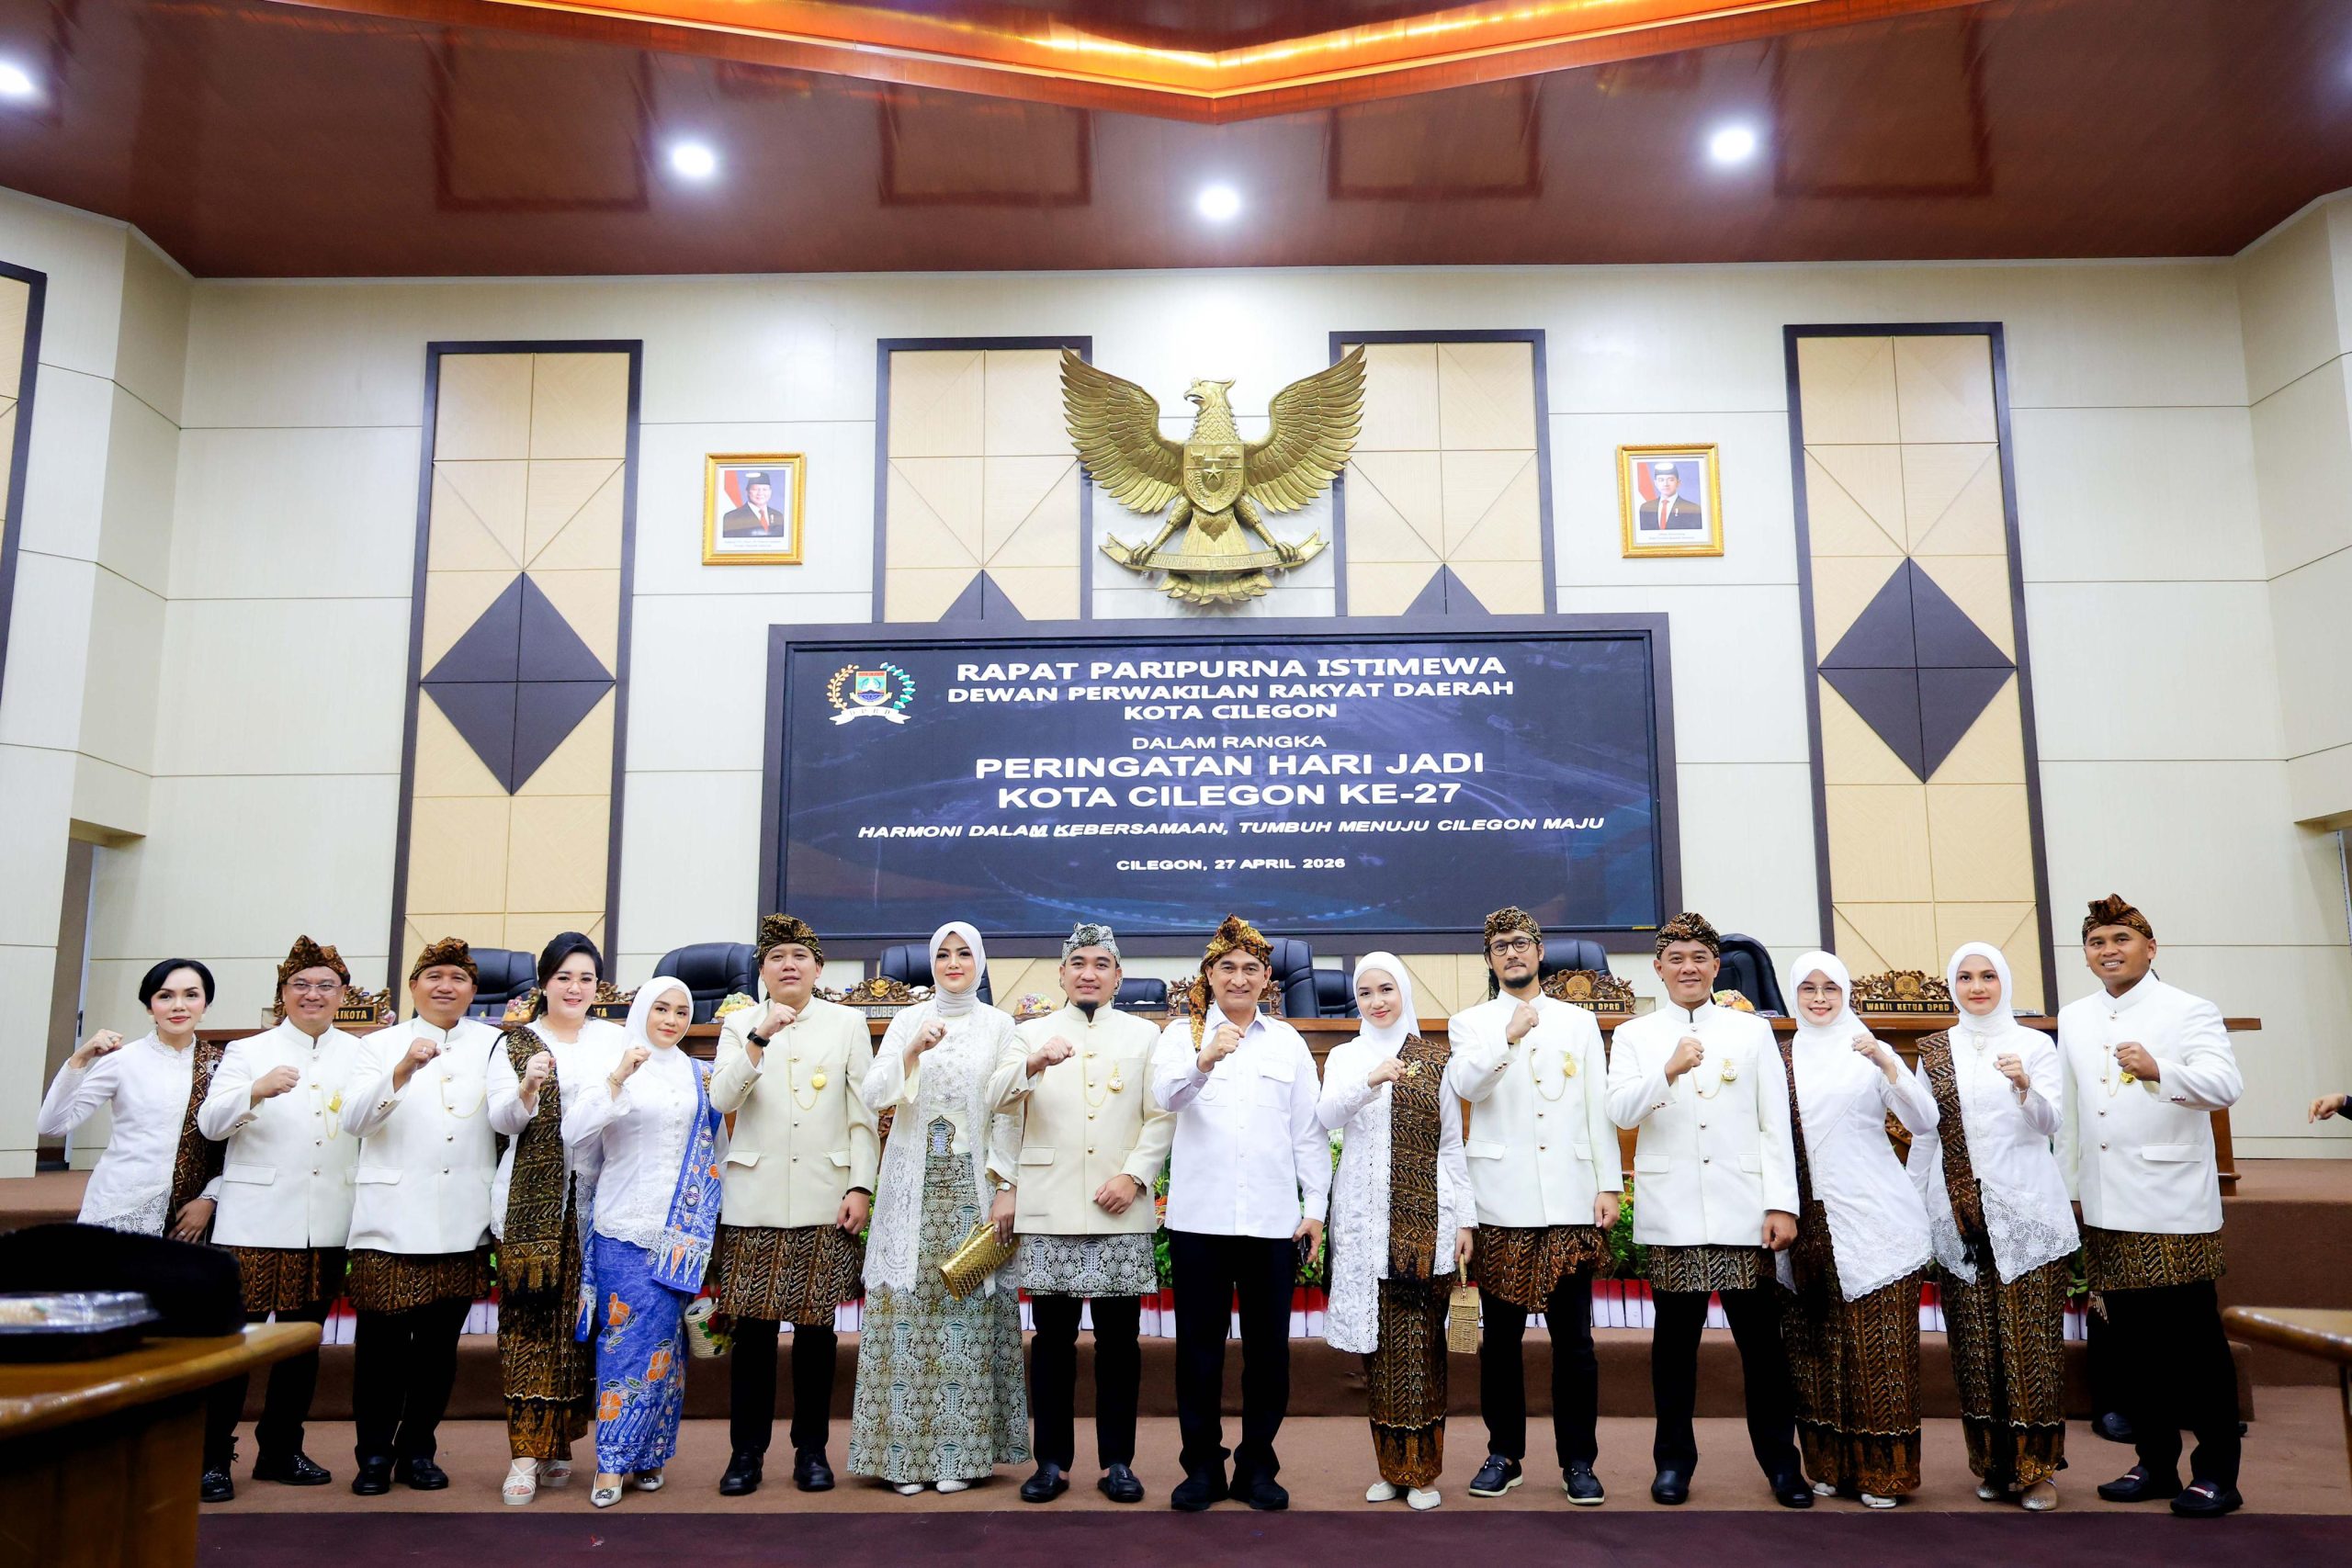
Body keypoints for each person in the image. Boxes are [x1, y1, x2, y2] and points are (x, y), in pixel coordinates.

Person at [1605, 911, 1808, 1508]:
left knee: (1762, 1350)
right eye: (1677, 958)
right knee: (1673, 1352)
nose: (1688, 968)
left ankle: (1782, 1466)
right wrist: (1667, 1069)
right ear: (1658, 968)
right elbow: (1620, 1111)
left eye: (1699, 957)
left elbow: (1774, 1123)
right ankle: (1673, 1464)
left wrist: (1781, 1204)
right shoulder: (1636, 1035)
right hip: (1674, 1215)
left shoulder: (1752, 1032)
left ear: (1717, 966)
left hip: (1743, 1212)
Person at [2056, 895, 2245, 1517]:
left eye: (2121, 938)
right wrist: (2070, 1190)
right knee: (2131, 1348)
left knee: (2195, 1346)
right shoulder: (2076, 1016)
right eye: (2097, 942)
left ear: (2150, 948)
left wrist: (2160, 1068)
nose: (2108, 950)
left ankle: (2216, 1474)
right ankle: (2156, 1463)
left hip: (2172, 1205)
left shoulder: (2189, 1009)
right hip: (2106, 1204)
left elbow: (2226, 1085)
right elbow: (2073, 1111)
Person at [989, 921, 1173, 1505]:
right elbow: (995, 1100)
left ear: (1118, 977)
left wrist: (1134, 1175)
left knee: (1120, 1342)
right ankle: (1051, 1462)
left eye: (1101, 964)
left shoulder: (1146, 1035)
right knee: (1052, 1341)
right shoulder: (1029, 1033)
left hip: (1119, 1204)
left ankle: (1118, 1461)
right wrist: (1034, 1062)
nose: (1089, 973)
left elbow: (1161, 1117)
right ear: (1061, 974)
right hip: (1050, 1204)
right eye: (1078, 963)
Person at [1151, 914, 1329, 1514]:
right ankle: (1202, 1466)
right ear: (1208, 974)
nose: (1239, 977)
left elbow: (1308, 1132)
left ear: (1267, 977)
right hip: (1199, 1222)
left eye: (1251, 968)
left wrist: (1315, 1207)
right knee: (1198, 1352)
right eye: (1226, 967)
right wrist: (1204, 1059)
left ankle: (1257, 1465)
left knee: (1268, 1354)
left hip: (1271, 1222)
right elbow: (1164, 1097)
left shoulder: (1287, 1042)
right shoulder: (1181, 1035)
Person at [39, 958, 233, 1497]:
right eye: (165, 995)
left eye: (191, 995)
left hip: (188, 1219)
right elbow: (53, 1125)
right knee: (114, 1336)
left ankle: (170, 1454)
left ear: (205, 1004)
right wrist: (80, 1058)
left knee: (175, 1339)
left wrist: (210, 1198)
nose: (179, 1005)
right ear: (149, 1005)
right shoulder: (123, 1062)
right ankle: (98, 1452)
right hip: (122, 1212)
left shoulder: (221, 1065)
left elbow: (238, 1145)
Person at [849, 922, 1030, 1495]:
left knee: (965, 1314)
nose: (954, 963)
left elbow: (1010, 1110)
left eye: (964, 954)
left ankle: (960, 1459)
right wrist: (910, 1052)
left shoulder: (1000, 1026)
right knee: (908, 1313)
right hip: (912, 1189)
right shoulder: (909, 1019)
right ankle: (903, 1461)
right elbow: (873, 1094)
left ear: (980, 962)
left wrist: (1007, 1184)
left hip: (973, 1188)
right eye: (944, 955)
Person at [1449, 907, 1620, 1504]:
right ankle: (1505, 1453)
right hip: (1502, 1202)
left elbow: (1598, 1105)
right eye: (1501, 946)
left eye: (1522, 942)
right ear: (1490, 959)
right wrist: (1509, 1035)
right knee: (1501, 1342)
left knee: (1575, 1343)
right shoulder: (1471, 1023)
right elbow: (1468, 1086)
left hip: (1570, 1199)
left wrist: (1609, 1183)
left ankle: (1579, 1461)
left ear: (1541, 951)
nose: (1513, 952)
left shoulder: (1579, 1021)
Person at [709, 913, 877, 1497]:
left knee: (815, 1335)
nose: (788, 965)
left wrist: (860, 1186)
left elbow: (863, 1114)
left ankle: (811, 1450)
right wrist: (759, 1037)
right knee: (753, 1336)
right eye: (776, 957)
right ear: (762, 970)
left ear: (818, 969)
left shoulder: (847, 1023)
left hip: (824, 1198)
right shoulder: (739, 1024)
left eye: (799, 956)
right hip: (753, 1200)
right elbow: (722, 1097)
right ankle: (746, 1453)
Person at [1906, 942, 2076, 1511]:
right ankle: (1993, 1465)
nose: (1977, 987)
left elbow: (2051, 1122)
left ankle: (2037, 1470)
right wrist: (1911, 1203)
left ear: (2004, 981)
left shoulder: (2034, 1044)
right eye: (1965, 977)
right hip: (1958, 1217)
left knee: (2031, 1348)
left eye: (1987, 976)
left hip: (2027, 1216)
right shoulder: (1935, 1049)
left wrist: (2024, 1085)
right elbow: (1925, 1133)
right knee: (1975, 1349)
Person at [198, 935, 367, 1491]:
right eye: (301, 985)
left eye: (325, 986)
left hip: (326, 1220)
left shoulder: (360, 1053)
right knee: (237, 1344)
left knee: (300, 1347)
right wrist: (255, 1090)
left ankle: (280, 1450)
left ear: (343, 994)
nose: (312, 994)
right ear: (283, 993)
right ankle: (212, 1457)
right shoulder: (249, 1051)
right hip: (255, 1220)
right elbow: (210, 1125)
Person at [336, 937, 501, 1495]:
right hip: (390, 1222)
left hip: (461, 1220)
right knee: (380, 1351)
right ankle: (373, 1455)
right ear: (412, 987)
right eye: (434, 976)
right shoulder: (378, 1045)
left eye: (458, 978)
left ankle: (418, 1450)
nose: (445, 986)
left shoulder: (495, 1044)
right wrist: (402, 1070)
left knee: (437, 1352)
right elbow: (355, 1122)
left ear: (473, 991)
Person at [1775, 951, 1937, 1508]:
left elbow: (1925, 1121)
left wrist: (1887, 1063)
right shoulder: (1781, 1056)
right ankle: (1829, 1466)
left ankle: (1885, 1473)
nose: (1820, 998)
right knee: (1815, 1351)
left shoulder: (1869, 1048)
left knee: (1879, 1351)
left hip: (1876, 1219)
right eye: (1808, 988)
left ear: (1846, 994)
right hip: (1808, 1223)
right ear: (1794, 994)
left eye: (1831, 988)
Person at [562, 977, 726, 1509]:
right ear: (640, 1013)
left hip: (682, 1233)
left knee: (667, 1349)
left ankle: (651, 1451)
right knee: (623, 1344)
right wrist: (617, 1079)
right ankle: (612, 1461)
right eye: (661, 1009)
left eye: (681, 1011)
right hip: (623, 1226)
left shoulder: (700, 1075)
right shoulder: (613, 1064)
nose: (671, 1020)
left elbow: (717, 1151)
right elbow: (575, 1134)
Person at [1318, 953, 1473, 1511]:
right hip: (1363, 1226)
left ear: (1403, 992)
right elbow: (1325, 1117)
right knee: (1379, 1356)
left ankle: (1422, 1472)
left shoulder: (1434, 1061)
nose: (1376, 1001)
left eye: (1386, 989)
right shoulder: (1345, 1057)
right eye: (1365, 993)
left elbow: (1451, 1147)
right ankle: (1390, 1469)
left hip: (1422, 1223)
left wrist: (1465, 1219)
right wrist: (1370, 1081)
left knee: (1421, 1351)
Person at [487, 931, 622, 1505]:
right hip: (531, 1210)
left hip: (599, 1202)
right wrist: (528, 1087)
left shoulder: (615, 1040)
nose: (575, 988)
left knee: (579, 1330)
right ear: (544, 983)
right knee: (528, 1330)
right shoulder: (515, 1042)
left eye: (586, 978)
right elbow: (501, 1122)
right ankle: (524, 1454)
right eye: (564, 977)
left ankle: (560, 1442)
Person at [1639, 460, 1702, 531]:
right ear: (1656, 483)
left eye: (1671, 480)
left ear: (1678, 483)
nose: (1665, 484)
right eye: (1661, 480)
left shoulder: (1693, 509)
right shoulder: (1645, 508)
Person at [722, 470, 787, 537]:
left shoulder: (778, 516)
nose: (760, 493)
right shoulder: (732, 517)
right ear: (747, 491)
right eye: (755, 489)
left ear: (770, 492)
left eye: (765, 489)